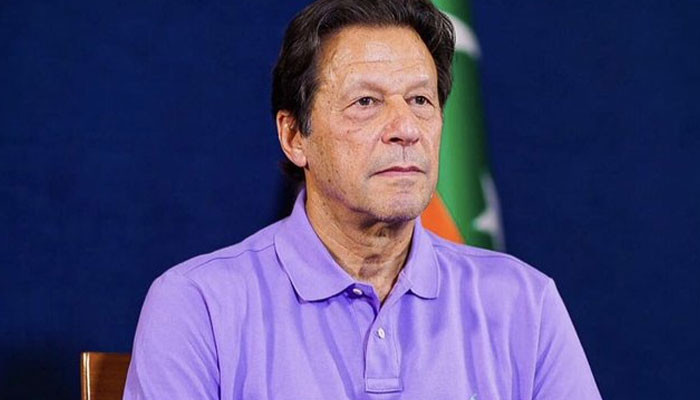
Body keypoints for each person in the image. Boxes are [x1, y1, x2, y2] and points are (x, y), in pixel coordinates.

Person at [123, 0, 602, 398]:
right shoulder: (199, 306)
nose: (406, 129)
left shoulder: (523, 301)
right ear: (294, 136)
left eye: (420, 100)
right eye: (366, 102)